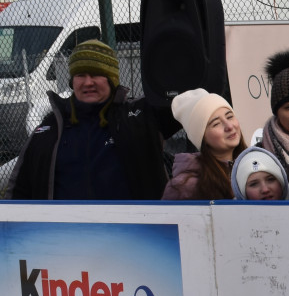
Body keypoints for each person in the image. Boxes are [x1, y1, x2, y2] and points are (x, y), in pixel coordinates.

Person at [10, 40, 175, 200]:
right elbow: (19, 189)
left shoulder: (141, 115)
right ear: (72, 81)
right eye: (81, 75)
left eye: (96, 74)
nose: (88, 82)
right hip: (62, 227)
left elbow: (189, 97)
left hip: (134, 226)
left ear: (112, 79)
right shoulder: (50, 127)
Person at [162, 89, 244, 200]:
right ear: (202, 137)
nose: (229, 126)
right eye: (216, 124)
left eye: (230, 116)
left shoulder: (255, 166)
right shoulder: (184, 187)